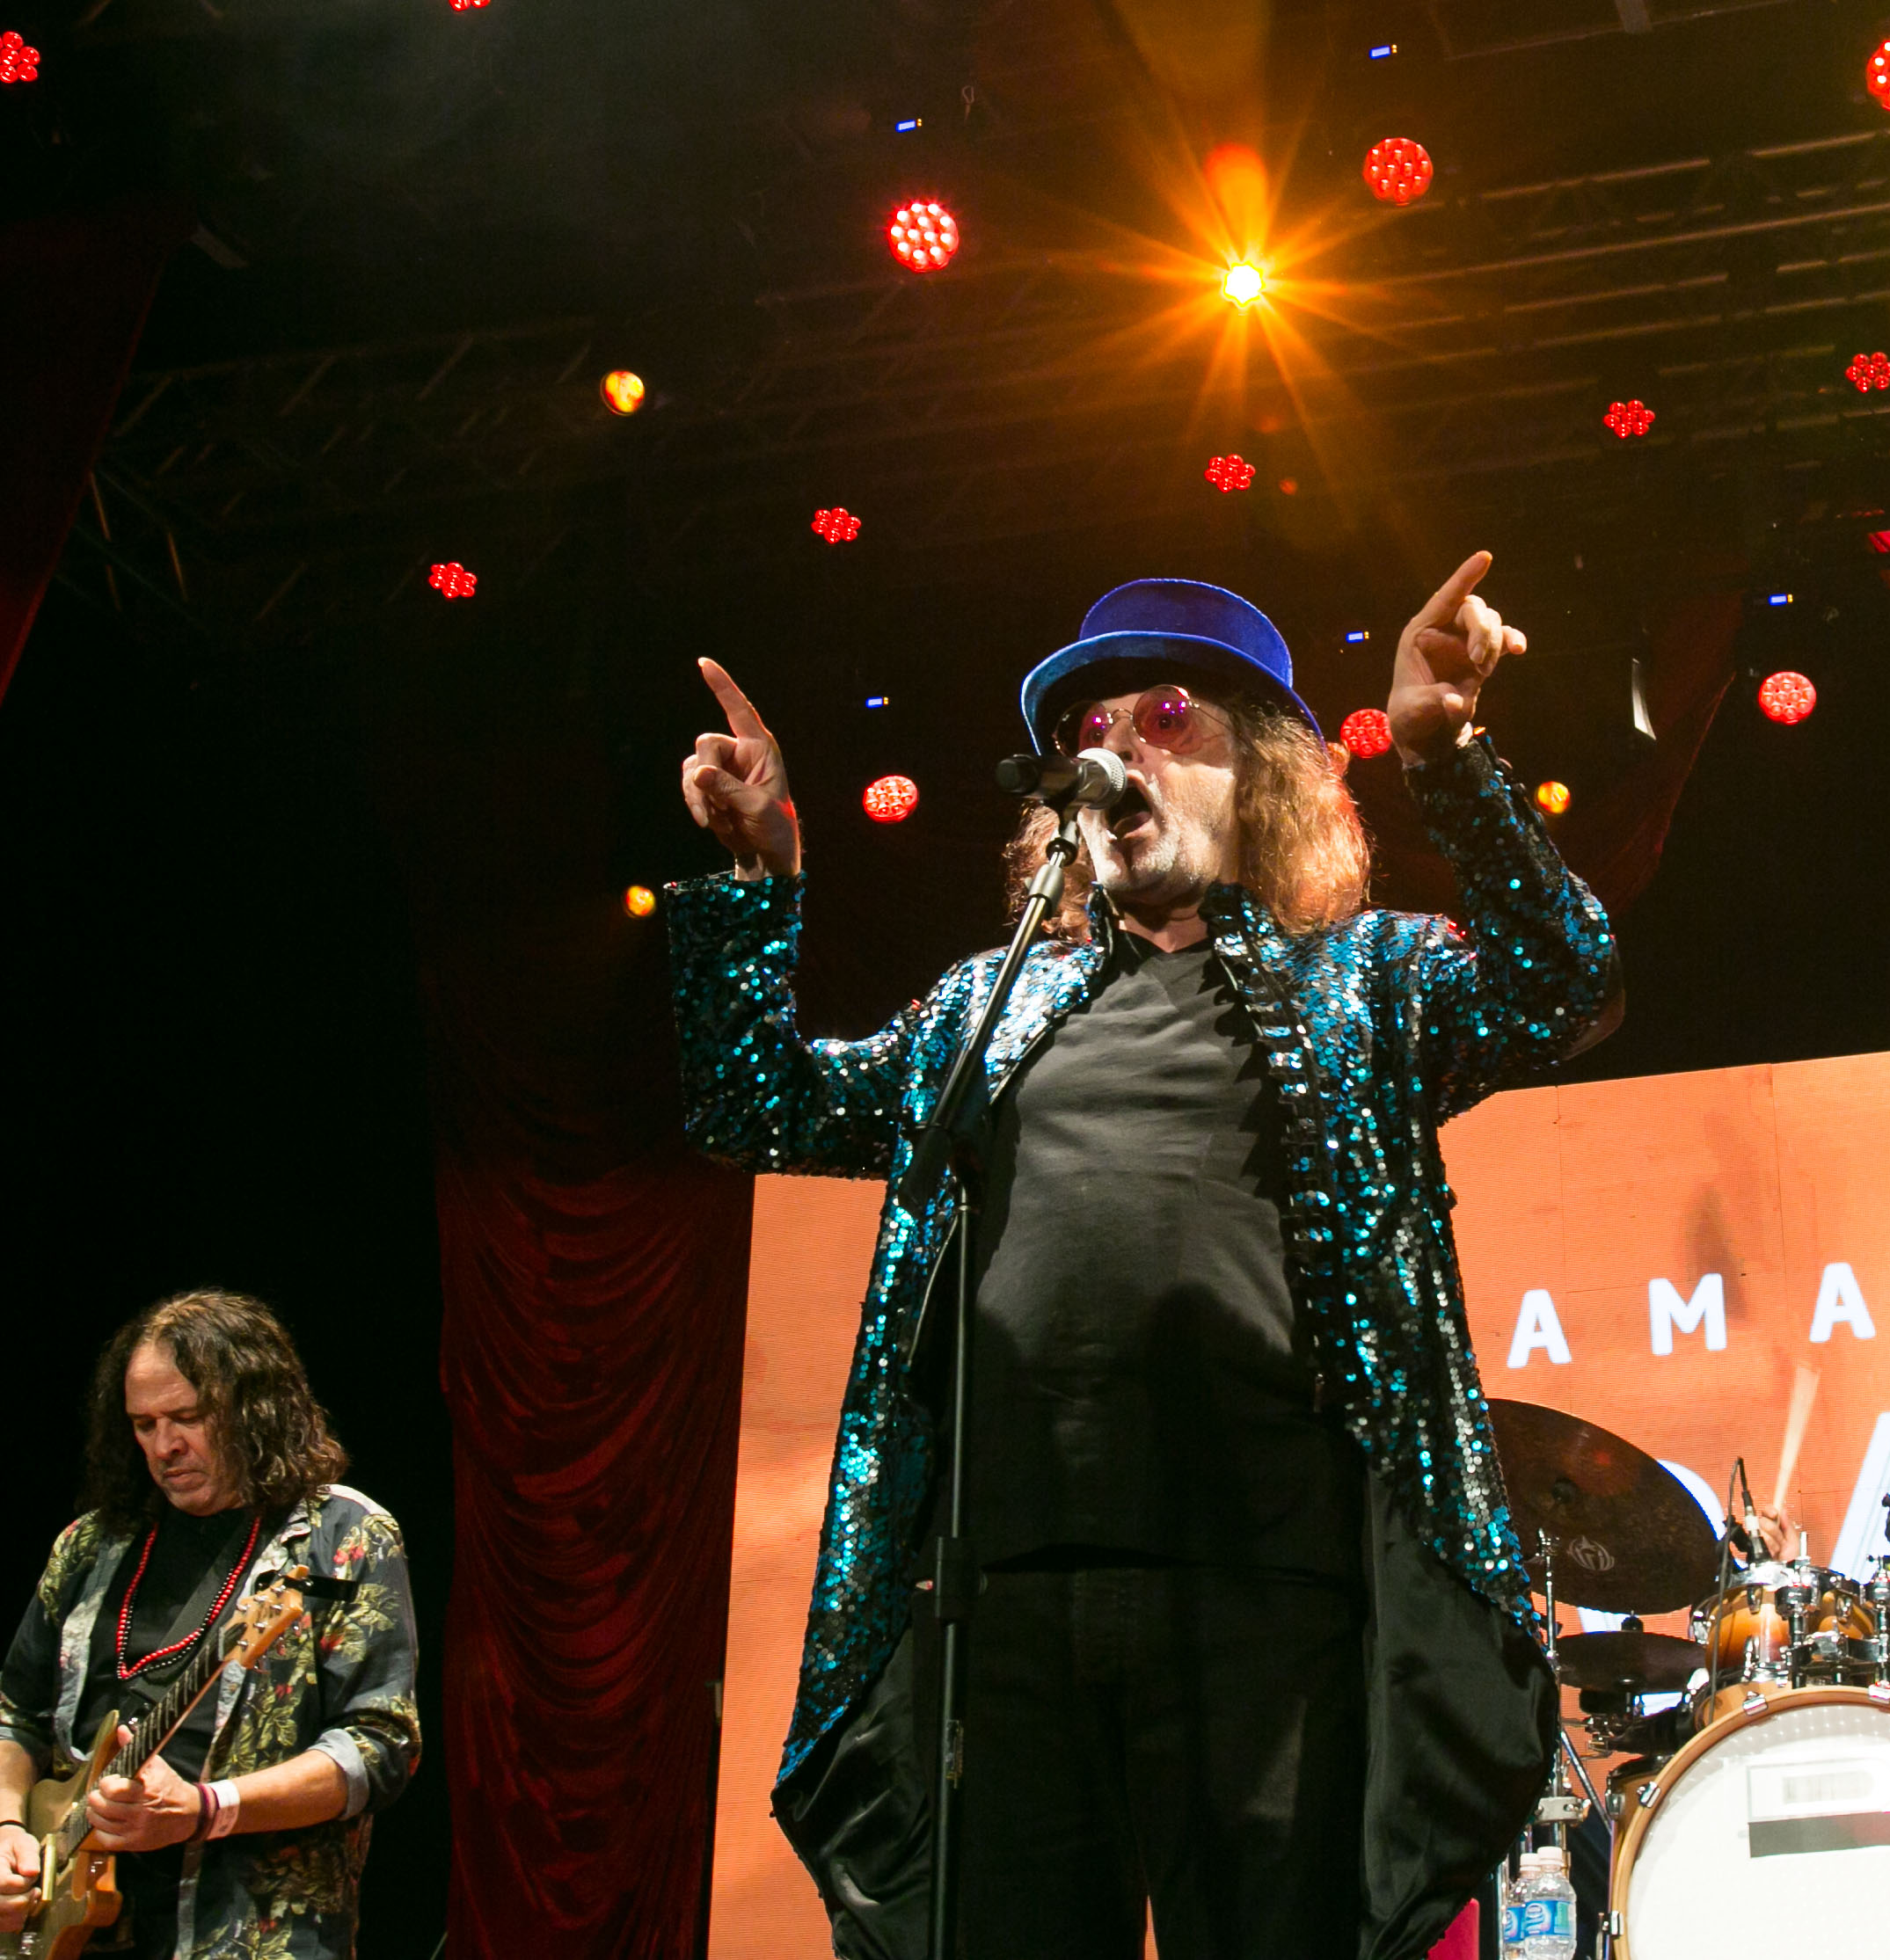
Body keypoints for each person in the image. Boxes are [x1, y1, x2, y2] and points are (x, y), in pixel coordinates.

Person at [670, 553, 1624, 1960]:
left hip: (1265, 1599)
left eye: (1167, 717)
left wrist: (1445, 758)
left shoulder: (1362, 980)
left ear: (1266, 773)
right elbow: (752, 1104)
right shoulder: (983, 1008)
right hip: (1002, 1610)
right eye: (1090, 731)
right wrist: (762, 874)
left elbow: (1563, 983)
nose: (1117, 750)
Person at [0, 1289, 422, 1958]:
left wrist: (208, 1808)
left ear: (255, 1409)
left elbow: (380, 1746)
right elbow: (8, 1722)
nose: (164, 1445)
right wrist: (5, 1830)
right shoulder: (91, 1546)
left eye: (188, 1417)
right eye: (143, 1424)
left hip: (253, 1936)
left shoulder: (343, 1536)